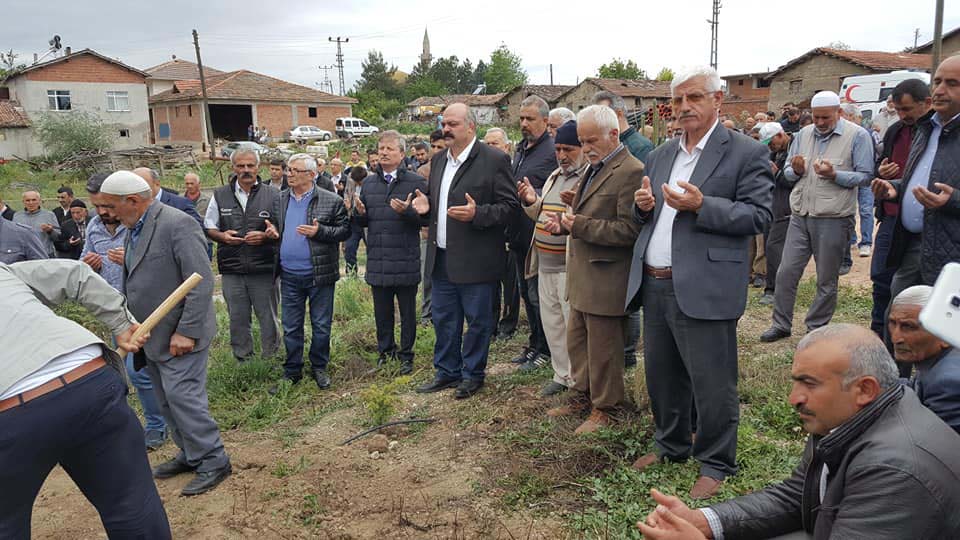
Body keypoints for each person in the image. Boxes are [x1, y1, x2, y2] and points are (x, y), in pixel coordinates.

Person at [637, 324, 960, 540]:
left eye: (809, 384)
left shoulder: (895, 470)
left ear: (864, 389)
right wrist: (704, 521)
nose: (794, 398)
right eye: (796, 381)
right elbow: (797, 495)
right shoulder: (851, 417)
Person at [626, 66, 773, 499]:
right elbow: (650, 217)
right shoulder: (660, 155)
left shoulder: (745, 152)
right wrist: (642, 207)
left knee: (712, 381)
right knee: (663, 374)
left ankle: (716, 460)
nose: (684, 107)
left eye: (694, 98)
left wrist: (702, 205)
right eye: (678, 100)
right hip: (655, 281)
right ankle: (671, 443)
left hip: (705, 283)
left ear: (717, 100)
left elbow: (759, 215)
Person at [0, 259, 170, 538]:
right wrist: (121, 323)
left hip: (12, 410)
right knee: (131, 507)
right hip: (89, 379)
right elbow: (74, 272)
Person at [99, 170, 231, 496]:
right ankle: (190, 453)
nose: (105, 213)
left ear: (133, 201)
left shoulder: (177, 224)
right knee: (166, 401)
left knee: (184, 399)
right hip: (151, 336)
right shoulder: (134, 227)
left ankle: (214, 459)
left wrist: (186, 331)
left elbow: (200, 281)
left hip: (179, 337)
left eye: (111, 206)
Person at [543, 104, 643, 433]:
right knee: (579, 344)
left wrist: (580, 224)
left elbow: (629, 230)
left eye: (591, 141)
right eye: (582, 142)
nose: (585, 148)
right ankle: (582, 396)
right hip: (583, 276)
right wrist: (566, 223)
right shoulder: (595, 167)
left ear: (613, 134)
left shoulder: (630, 170)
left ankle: (607, 408)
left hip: (607, 278)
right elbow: (588, 215)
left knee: (603, 350)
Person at [413, 102, 519, 399]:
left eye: (453, 124)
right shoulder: (439, 161)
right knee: (444, 319)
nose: (446, 129)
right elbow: (435, 205)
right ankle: (447, 371)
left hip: (477, 259)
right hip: (442, 257)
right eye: (444, 124)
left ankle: (473, 374)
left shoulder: (494, 159)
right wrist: (424, 208)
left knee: (478, 321)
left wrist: (478, 214)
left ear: (471, 127)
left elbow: (510, 208)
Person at [761, 91, 875, 343]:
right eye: (816, 117)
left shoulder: (857, 136)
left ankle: (816, 328)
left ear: (839, 112)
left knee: (826, 279)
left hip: (834, 217)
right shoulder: (802, 135)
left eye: (826, 117)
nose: (820, 123)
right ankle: (780, 324)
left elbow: (866, 176)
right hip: (800, 214)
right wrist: (795, 171)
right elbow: (788, 172)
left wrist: (835, 175)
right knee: (786, 272)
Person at [81, 171, 167, 451]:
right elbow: (83, 260)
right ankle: (127, 424)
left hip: (141, 308)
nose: (102, 212)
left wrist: (128, 259)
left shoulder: (139, 225)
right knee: (121, 371)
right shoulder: (94, 226)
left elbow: (159, 265)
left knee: (139, 369)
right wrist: (88, 263)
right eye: (97, 206)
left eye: (106, 205)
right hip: (112, 308)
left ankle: (157, 425)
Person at [873, 56, 960, 314]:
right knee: (900, 316)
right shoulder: (927, 128)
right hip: (913, 244)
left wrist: (953, 200)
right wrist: (895, 189)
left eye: (952, 83)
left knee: (944, 325)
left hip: (951, 252)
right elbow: (921, 179)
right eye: (937, 81)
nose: (940, 90)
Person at [266, 154, 350, 390]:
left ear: (312, 175)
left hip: (319, 274)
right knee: (291, 325)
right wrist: (273, 232)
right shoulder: (280, 199)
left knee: (321, 324)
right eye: (289, 169)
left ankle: (319, 367)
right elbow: (276, 225)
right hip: (289, 275)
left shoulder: (331, 200)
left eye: (295, 170)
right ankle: (292, 370)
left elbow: (345, 231)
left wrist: (319, 231)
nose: (289, 174)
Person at [516, 120, 584, 396]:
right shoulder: (555, 176)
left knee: (572, 328)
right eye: (558, 149)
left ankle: (579, 381)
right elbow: (542, 214)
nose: (562, 155)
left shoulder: (587, 178)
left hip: (570, 268)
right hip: (544, 264)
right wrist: (531, 201)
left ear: (582, 147)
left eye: (568, 149)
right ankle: (561, 374)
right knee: (553, 324)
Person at [355, 131, 428, 375]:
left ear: (402, 153)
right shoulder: (368, 183)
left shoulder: (416, 182)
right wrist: (359, 213)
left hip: (405, 258)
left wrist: (408, 212)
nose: (383, 153)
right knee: (382, 313)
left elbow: (425, 220)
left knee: (407, 313)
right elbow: (364, 221)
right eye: (381, 148)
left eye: (389, 148)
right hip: (378, 258)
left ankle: (406, 355)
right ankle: (385, 352)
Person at [869, 79, 931, 357]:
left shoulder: (934, 131)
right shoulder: (895, 130)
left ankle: (913, 347)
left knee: (914, 288)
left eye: (907, 109)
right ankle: (878, 337)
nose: (903, 115)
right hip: (892, 217)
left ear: (926, 103)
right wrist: (882, 171)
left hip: (924, 223)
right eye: (898, 110)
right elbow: (880, 167)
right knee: (882, 278)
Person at [593, 90, 654, 368]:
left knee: (628, 296)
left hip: (629, 227)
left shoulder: (639, 147)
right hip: (609, 227)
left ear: (618, 115)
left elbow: (641, 191)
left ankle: (628, 353)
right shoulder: (607, 147)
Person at [205, 149, 282, 363]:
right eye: (240, 166)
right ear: (233, 168)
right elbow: (209, 226)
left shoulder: (273, 195)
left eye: (250, 165)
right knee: (237, 317)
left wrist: (268, 235)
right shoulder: (220, 195)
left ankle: (271, 359)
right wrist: (222, 236)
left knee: (268, 316)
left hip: (264, 267)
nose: (246, 170)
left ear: (258, 167)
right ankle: (243, 359)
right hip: (232, 267)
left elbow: (282, 226)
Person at [508, 96, 557, 370]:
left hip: (538, 237)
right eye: (522, 118)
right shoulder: (521, 150)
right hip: (518, 235)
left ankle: (546, 350)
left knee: (539, 297)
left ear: (546, 121)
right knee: (527, 295)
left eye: (530, 119)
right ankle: (535, 343)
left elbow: (555, 192)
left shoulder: (552, 152)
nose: (524, 123)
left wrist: (532, 194)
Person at [889, 285, 960, 433]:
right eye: (893, 323)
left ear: (943, 334)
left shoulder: (947, 383)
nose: (896, 338)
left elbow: (936, 441)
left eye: (908, 327)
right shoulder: (937, 360)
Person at [483, 127, 520, 341]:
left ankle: (508, 325)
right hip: (490, 236)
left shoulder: (513, 169)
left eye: (494, 144)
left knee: (511, 286)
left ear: (506, 147)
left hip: (512, 235)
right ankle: (491, 325)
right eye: (487, 144)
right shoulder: (481, 171)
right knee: (490, 284)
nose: (490, 148)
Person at [758, 121, 794, 305]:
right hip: (772, 206)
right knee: (769, 246)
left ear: (780, 135)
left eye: (771, 143)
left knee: (774, 247)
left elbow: (795, 180)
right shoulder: (775, 153)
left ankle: (773, 289)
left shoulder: (795, 149)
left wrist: (777, 173)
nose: (770, 147)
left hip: (786, 208)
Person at [839, 103, 875, 265]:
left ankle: (866, 242)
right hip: (848, 176)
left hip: (865, 176)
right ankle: (852, 239)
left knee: (866, 209)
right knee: (850, 209)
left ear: (851, 116)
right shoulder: (842, 134)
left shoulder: (867, 133)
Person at [132, 167, 203, 227]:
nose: (137, 188)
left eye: (142, 184)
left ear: (157, 183)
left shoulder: (181, 204)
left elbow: (197, 228)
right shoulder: (131, 206)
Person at [13, 190, 59, 257]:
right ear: (23, 202)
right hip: (24, 256)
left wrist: (50, 231)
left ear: (39, 201)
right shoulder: (17, 216)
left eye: (34, 200)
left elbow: (58, 238)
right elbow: (13, 237)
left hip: (45, 255)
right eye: (28, 200)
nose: (31, 203)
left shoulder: (49, 215)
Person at [342, 164, 368, 274]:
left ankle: (371, 274)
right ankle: (351, 273)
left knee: (372, 249)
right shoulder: (350, 180)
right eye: (355, 182)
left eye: (359, 182)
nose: (357, 184)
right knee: (349, 248)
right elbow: (346, 193)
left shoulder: (372, 182)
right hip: (353, 220)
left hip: (367, 221)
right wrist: (347, 202)